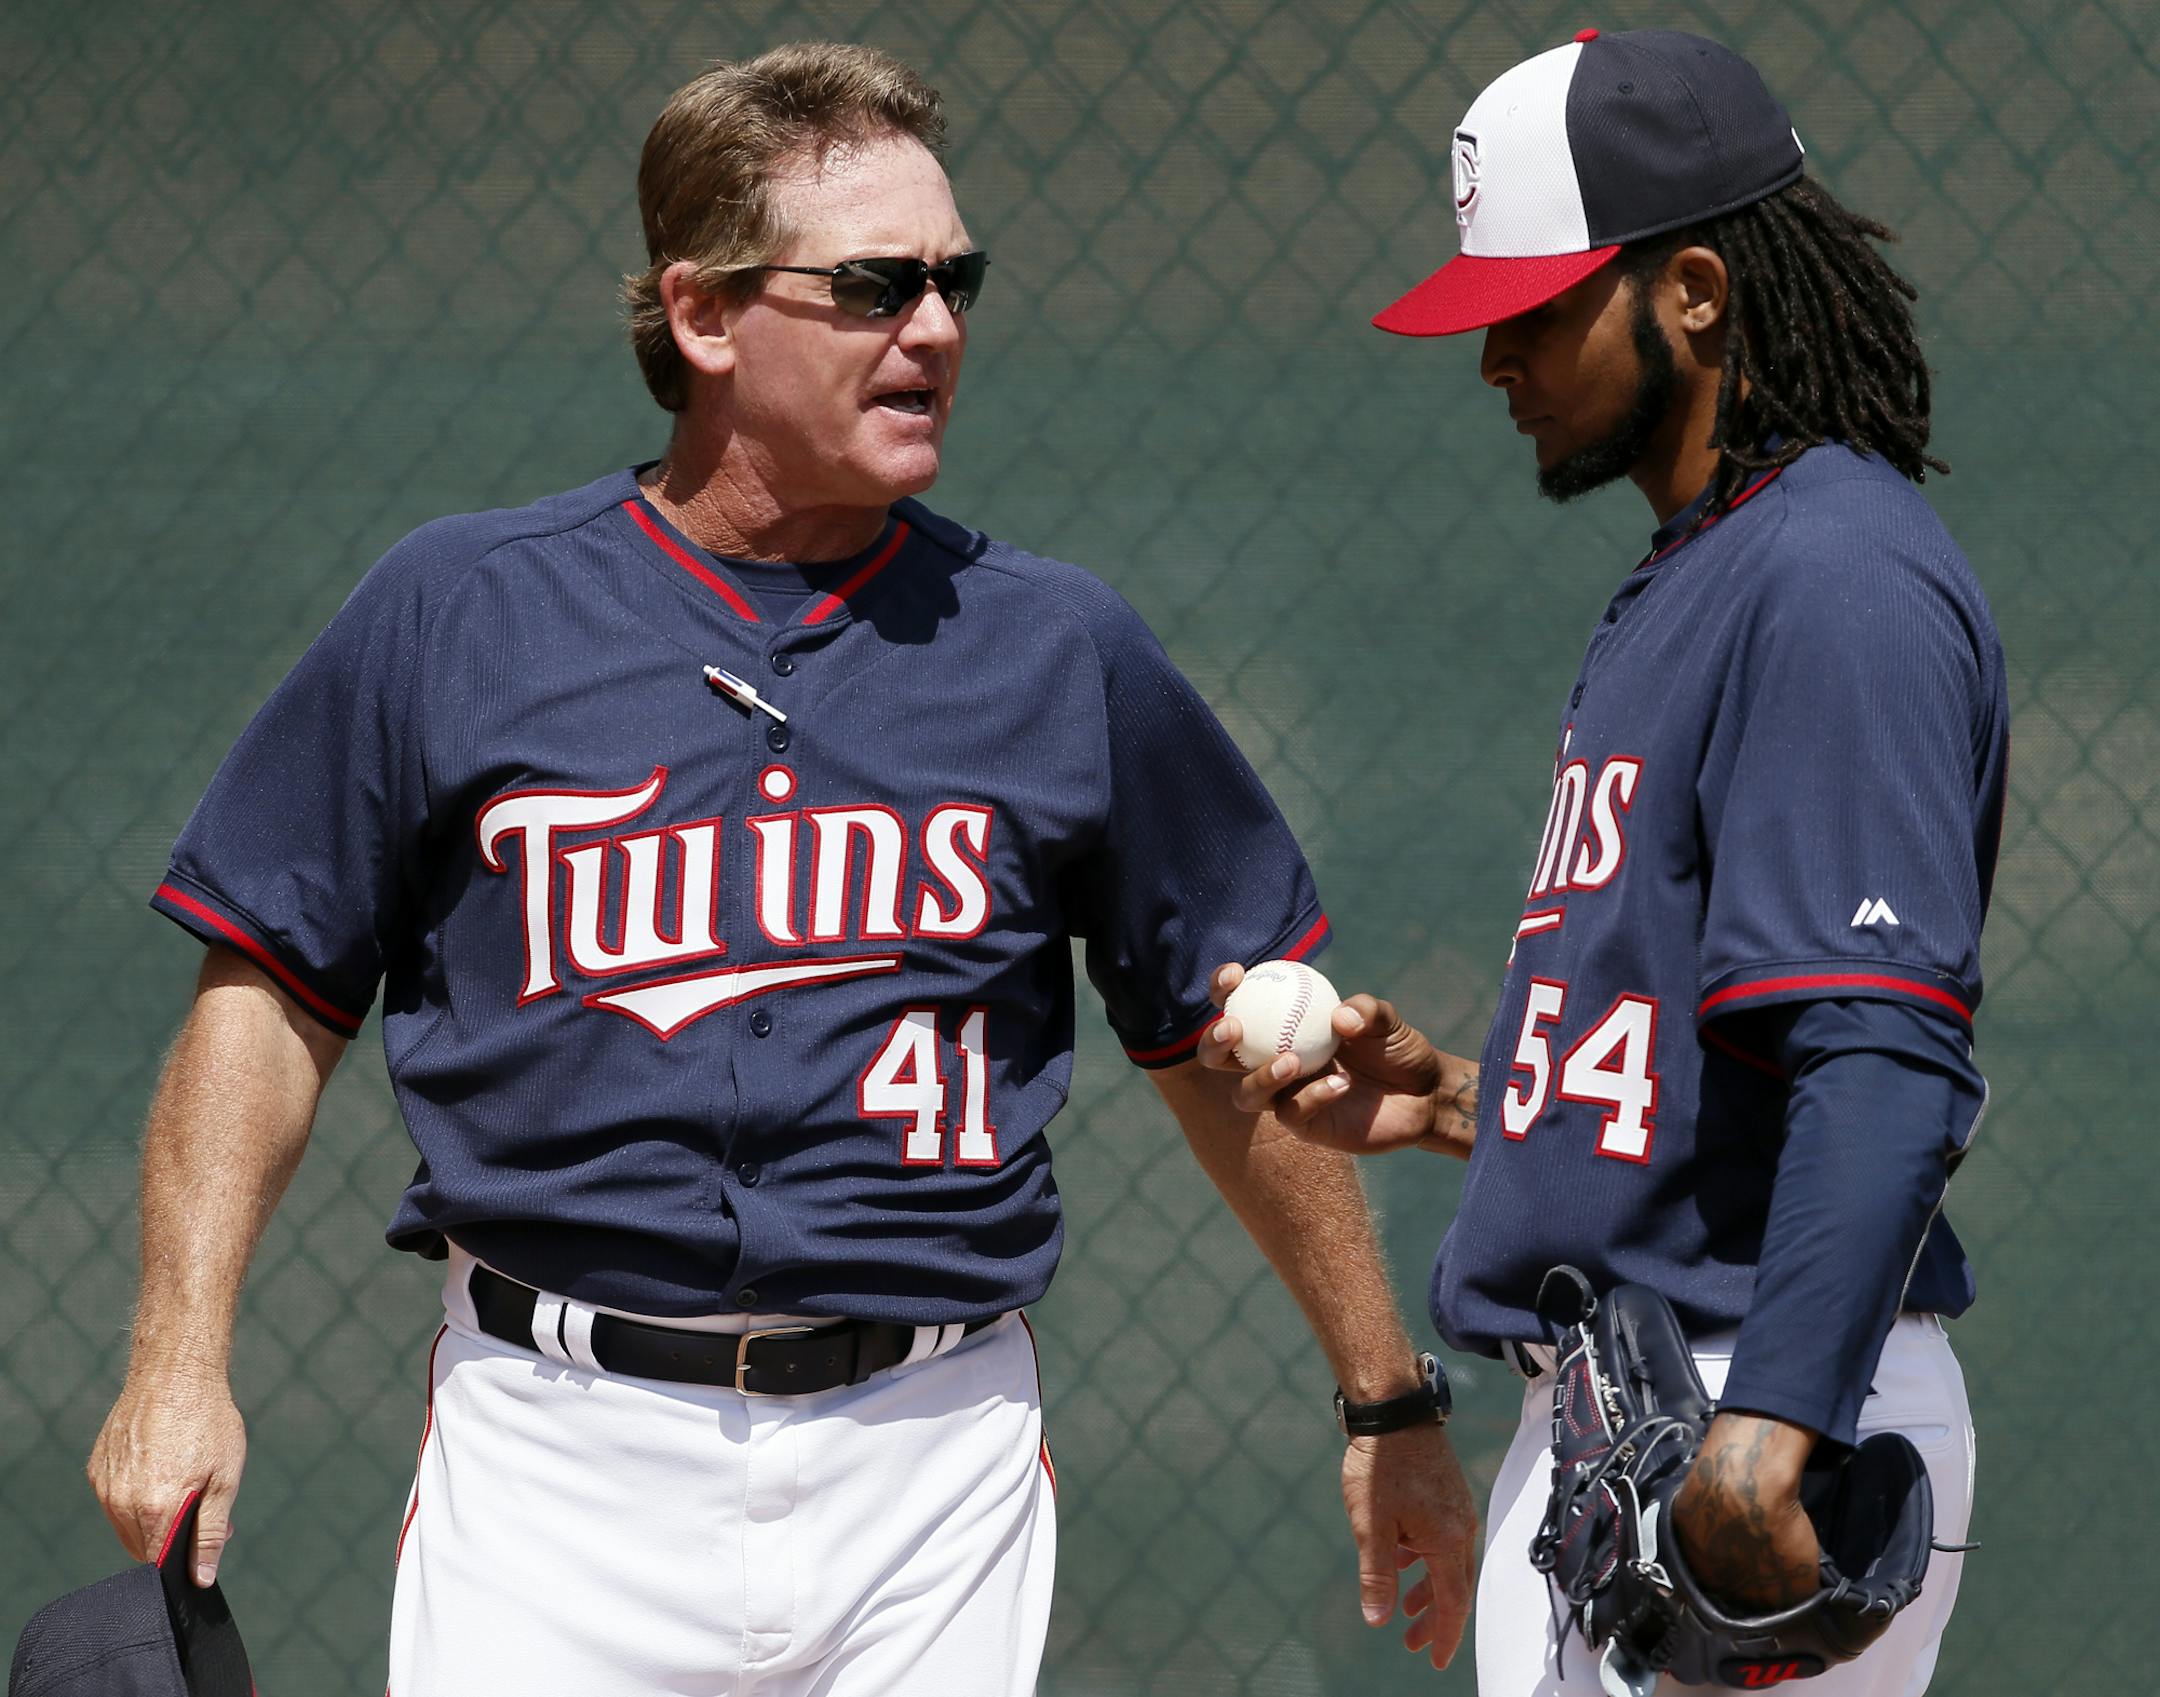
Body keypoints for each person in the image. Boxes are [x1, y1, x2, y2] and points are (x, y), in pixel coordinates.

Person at [84, 42, 1477, 1696]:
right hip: (559, 1458)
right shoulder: (460, 614)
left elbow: (1231, 1044)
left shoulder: (1054, 647)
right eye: (879, 283)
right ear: (704, 317)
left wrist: (1386, 1395)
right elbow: (270, 992)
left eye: (958, 279)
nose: (939, 327)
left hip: (931, 1455)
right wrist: (179, 1352)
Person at [1206, 28, 2000, 1695]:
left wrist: (1771, 1434)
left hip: (1746, 1398)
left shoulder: (1835, 572)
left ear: (1694, 290)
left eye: (1537, 304)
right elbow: (1721, 1077)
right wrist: (1452, 1104)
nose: (1496, 354)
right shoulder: (1706, 566)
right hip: (1635, 1399)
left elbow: (1886, 1056)